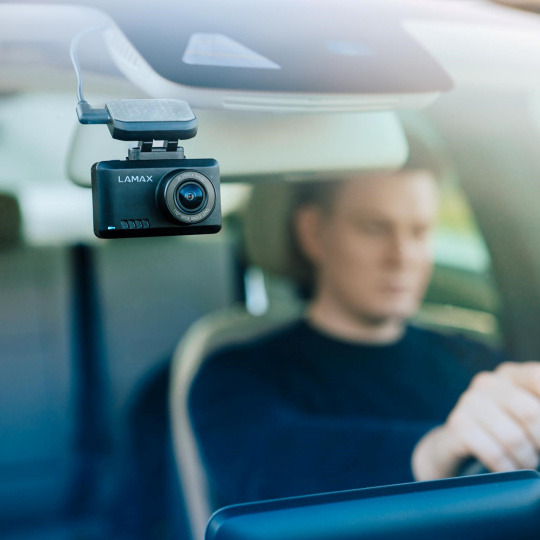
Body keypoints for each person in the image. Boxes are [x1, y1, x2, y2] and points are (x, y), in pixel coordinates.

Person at [188, 168, 540, 509]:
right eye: (375, 228)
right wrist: (436, 453)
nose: (401, 256)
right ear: (313, 232)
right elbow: (270, 468)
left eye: (419, 231)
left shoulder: (476, 359)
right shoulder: (235, 375)